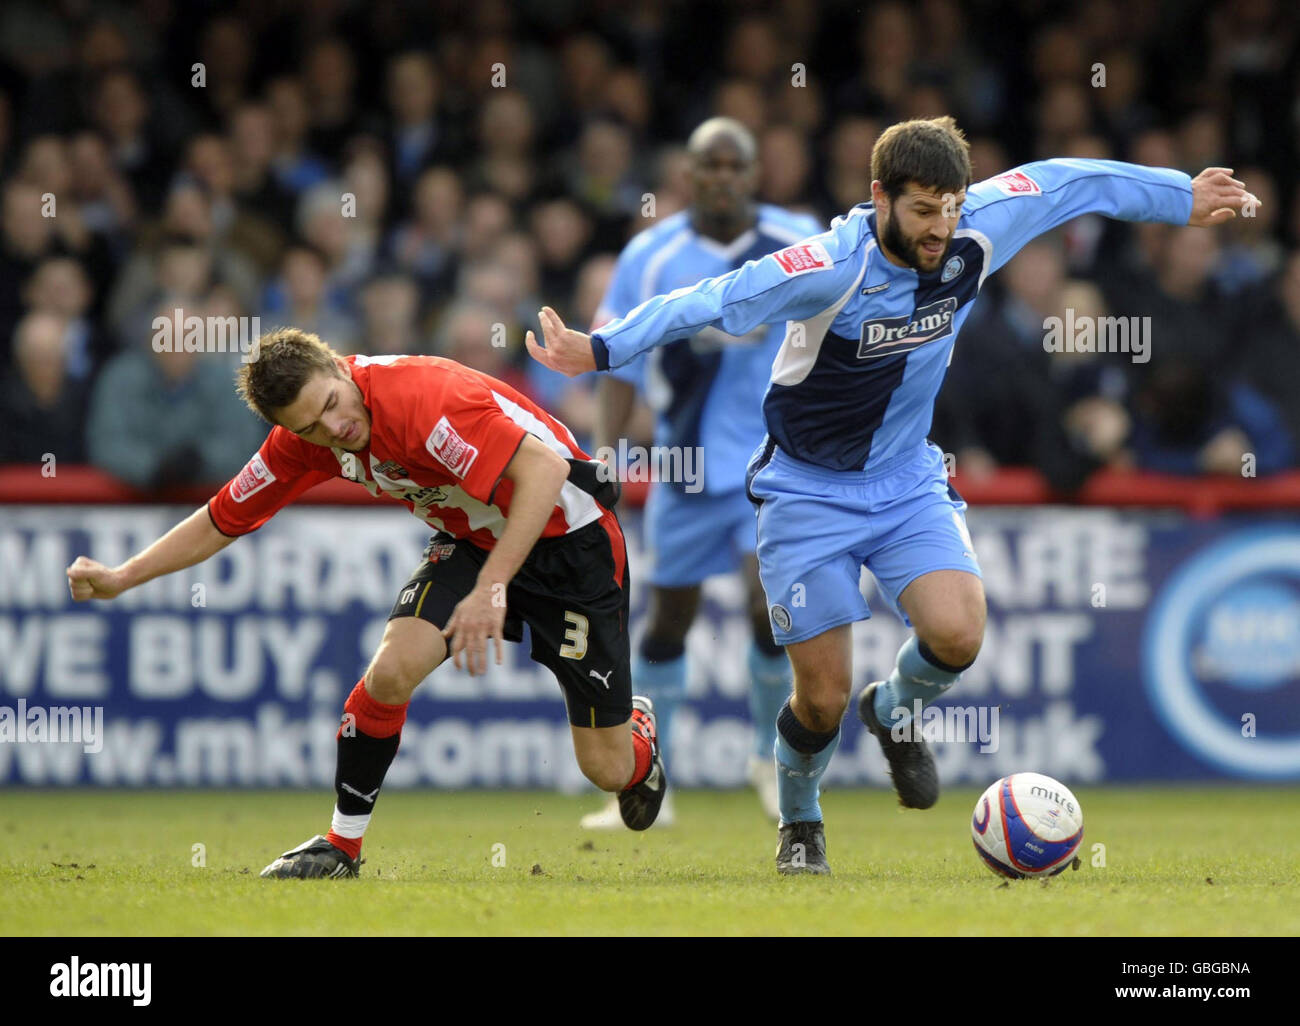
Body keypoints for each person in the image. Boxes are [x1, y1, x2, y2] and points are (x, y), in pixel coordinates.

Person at [526, 116, 1257, 875]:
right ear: (879, 197)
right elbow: (711, 300)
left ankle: (897, 707)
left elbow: (1073, 180)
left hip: (906, 479)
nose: (941, 228)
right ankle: (801, 822)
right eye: (921, 211)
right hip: (805, 490)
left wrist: (1179, 196)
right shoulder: (826, 266)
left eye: (950, 207)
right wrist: (602, 348)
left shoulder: (977, 224)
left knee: (959, 635)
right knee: (821, 699)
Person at [66, 329, 667, 878]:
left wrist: (493, 588)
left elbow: (542, 472)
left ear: (337, 365)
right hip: (471, 539)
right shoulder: (305, 439)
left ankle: (637, 731)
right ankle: (341, 845)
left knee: (608, 771)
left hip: (570, 542)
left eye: (332, 405)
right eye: (310, 428)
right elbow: (224, 516)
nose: (334, 430)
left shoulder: (422, 399)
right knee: (389, 672)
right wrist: (123, 575)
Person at [581, 117, 821, 829]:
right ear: (688, 175)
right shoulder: (650, 256)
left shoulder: (802, 238)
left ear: (755, 173)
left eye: (734, 165)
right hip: (683, 469)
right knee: (668, 622)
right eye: (707, 166)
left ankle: (763, 758)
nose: (722, 178)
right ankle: (652, 773)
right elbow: (616, 356)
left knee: (769, 609)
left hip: (774, 466)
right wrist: (603, 451)